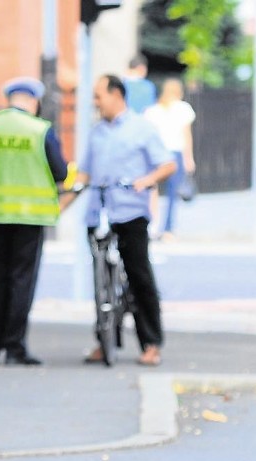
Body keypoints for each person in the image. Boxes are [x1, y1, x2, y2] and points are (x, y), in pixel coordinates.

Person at [61, 75, 176, 367]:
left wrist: (145, 181)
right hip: (99, 213)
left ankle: (151, 343)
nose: (96, 102)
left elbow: (167, 164)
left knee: (139, 277)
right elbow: (84, 174)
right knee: (101, 283)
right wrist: (60, 206)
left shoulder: (142, 129)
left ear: (116, 95)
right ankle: (105, 339)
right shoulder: (97, 133)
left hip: (130, 213)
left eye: (99, 96)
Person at [0, 77, 68, 366]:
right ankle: (14, 347)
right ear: (34, 101)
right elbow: (60, 171)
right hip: (30, 217)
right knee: (21, 282)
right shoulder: (41, 130)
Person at [144, 78, 196, 239]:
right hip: (174, 153)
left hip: (156, 154)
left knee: (151, 190)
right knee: (172, 194)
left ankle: (152, 224)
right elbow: (186, 136)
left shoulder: (153, 110)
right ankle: (167, 229)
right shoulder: (183, 109)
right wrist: (189, 158)